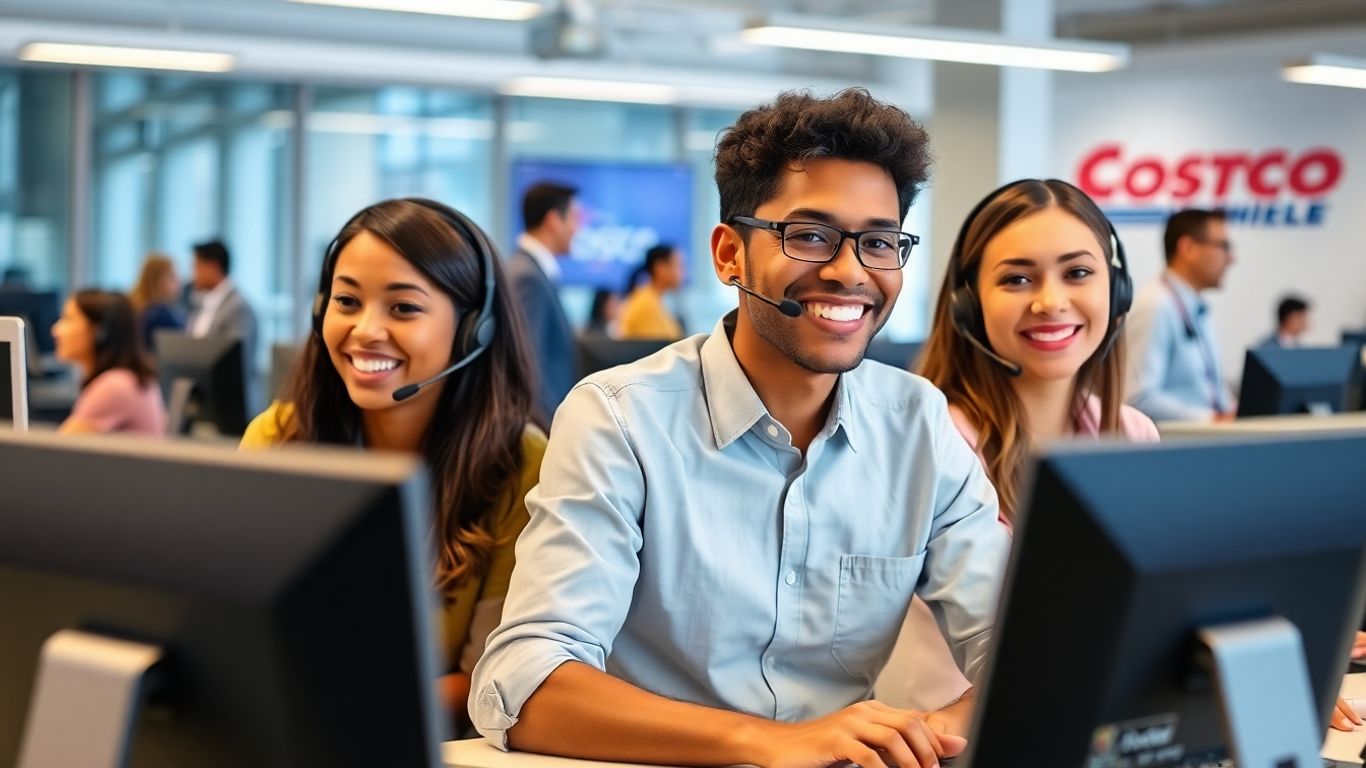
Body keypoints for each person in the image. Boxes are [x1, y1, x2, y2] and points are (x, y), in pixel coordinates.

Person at [470, 88, 1010, 768]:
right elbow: (522, 682)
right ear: (730, 254)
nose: (850, 272)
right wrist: (772, 743)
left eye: (879, 242)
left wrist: (928, 735)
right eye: (810, 235)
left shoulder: (918, 424)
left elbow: (1019, 648)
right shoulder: (620, 417)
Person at [239, 198, 545, 732]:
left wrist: (342, 714)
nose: (365, 331)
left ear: (475, 328)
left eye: (403, 308)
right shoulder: (278, 438)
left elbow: (490, 676)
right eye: (347, 301)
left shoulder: (520, 464)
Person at [878, 178, 1158, 712]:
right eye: (1017, 279)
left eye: (1077, 273)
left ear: (1116, 290)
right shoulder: (932, 443)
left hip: (1080, 721)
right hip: (945, 742)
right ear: (967, 304)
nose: (1051, 302)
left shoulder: (1132, 435)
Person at [1126, 209, 1235, 423]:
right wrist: (1213, 419)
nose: (1231, 258)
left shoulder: (1196, 307)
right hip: (1177, 448)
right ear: (1188, 248)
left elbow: (1213, 390)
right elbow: (1138, 398)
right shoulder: (1155, 305)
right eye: (1223, 246)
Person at [506, 182, 581, 422]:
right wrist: (548, 429)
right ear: (553, 221)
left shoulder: (531, 270)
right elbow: (526, 365)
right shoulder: (527, 276)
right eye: (573, 219)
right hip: (541, 423)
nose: (577, 229)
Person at [51, 289, 166, 435]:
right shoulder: (127, 380)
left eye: (68, 319)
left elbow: (56, 451)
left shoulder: (115, 387)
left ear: (99, 332)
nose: (56, 330)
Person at [186, 239, 258, 366]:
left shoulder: (239, 308)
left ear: (213, 267)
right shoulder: (203, 302)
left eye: (196, 267)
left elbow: (235, 362)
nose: (193, 275)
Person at [619, 243, 686, 340]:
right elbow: (657, 349)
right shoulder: (646, 304)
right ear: (660, 268)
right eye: (679, 266)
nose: (683, 273)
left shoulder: (653, 300)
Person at [129, 251, 186, 353]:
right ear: (157, 280)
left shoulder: (133, 307)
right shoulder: (161, 316)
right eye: (172, 277)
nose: (179, 282)